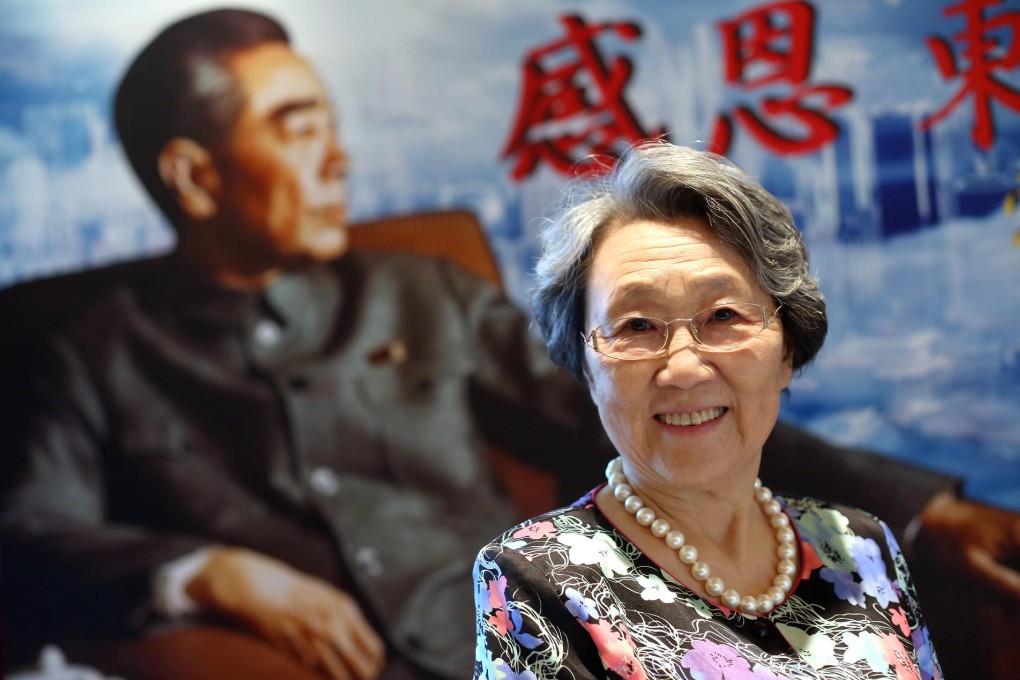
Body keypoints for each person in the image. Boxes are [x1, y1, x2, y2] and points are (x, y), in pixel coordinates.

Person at [0, 7, 1016, 680]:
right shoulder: (92, 353)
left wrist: (924, 512)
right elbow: (29, 530)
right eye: (297, 126)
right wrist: (210, 569)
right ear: (195, 175)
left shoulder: (420, 292)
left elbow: (663, 404)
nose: (338, 154)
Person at [473, 142, 942, 678]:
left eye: (723, 315)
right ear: (587, 367)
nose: (684, 369)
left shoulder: (860, 545)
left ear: (787, 350)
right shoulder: (538, 575)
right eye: (636, 326)